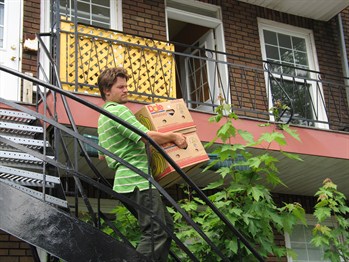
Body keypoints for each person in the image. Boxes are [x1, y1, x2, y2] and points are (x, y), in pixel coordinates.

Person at [97, 67, 187, 261]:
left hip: (126, 182)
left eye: (126, 86)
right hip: (137, 179)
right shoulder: (118, 111)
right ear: (107, 90)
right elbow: (144, 136)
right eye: (120, 87)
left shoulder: (102, 118)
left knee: (166, 227)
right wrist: (173, 136)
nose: (126, 90)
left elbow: (101, 155)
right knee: (156, 232)